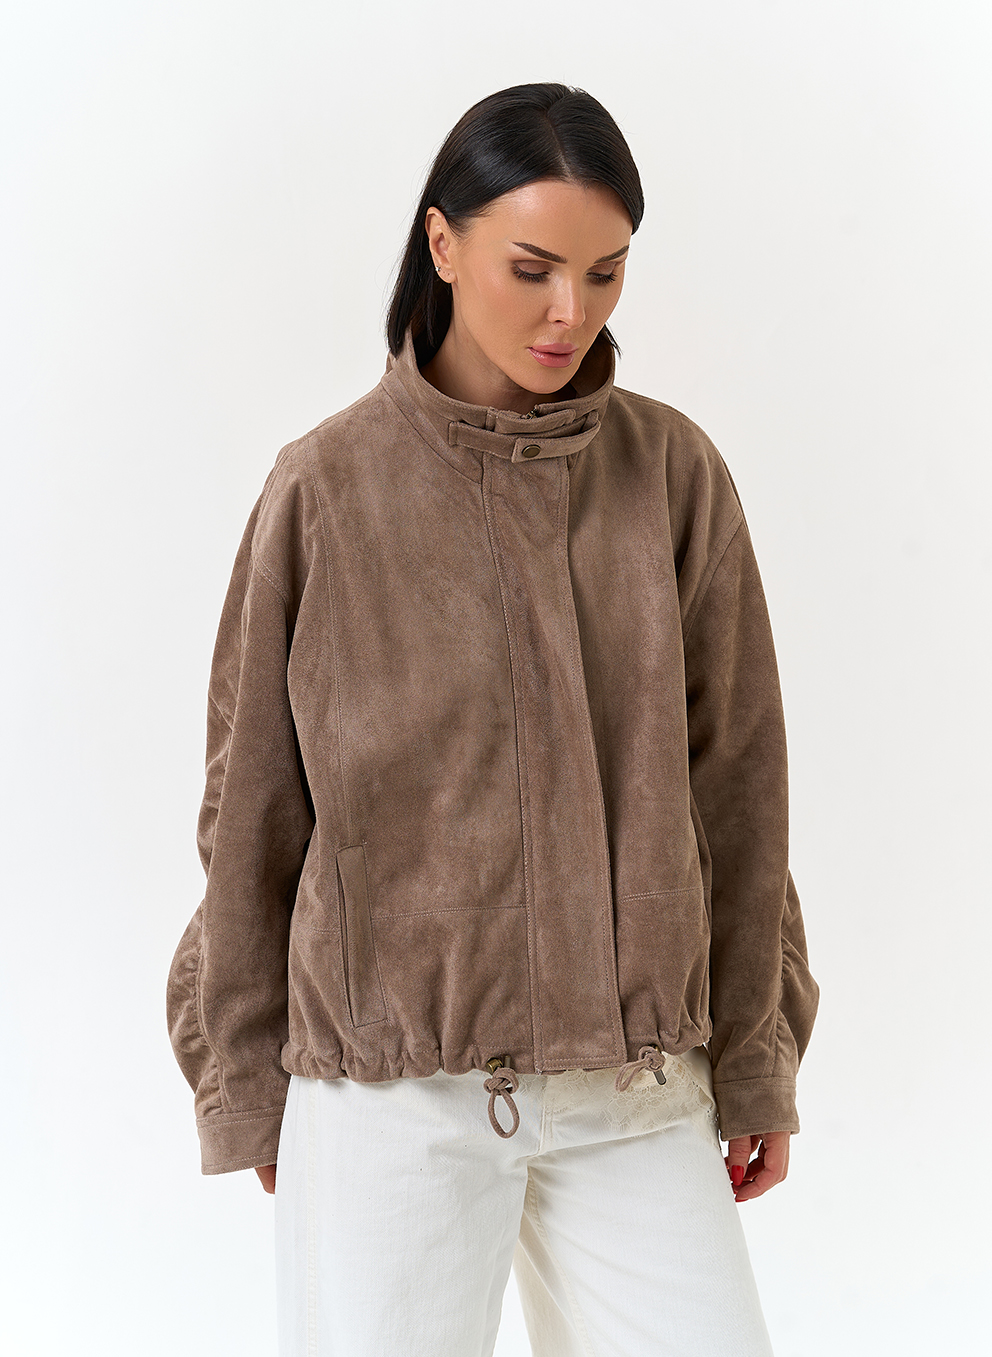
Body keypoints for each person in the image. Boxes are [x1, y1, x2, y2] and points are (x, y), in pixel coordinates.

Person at [167, 82, 819, 1357]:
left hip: (634, 1089)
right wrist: (242, 1081)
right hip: (388, 1099)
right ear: (443, 243)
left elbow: (739, 788)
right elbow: (250, 810)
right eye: (532, 268)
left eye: (605, 272)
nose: (570, 310)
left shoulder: (671, 476)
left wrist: (754, 1058)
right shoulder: (326, 489)